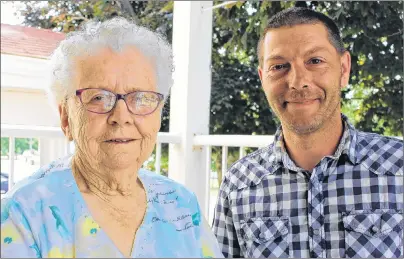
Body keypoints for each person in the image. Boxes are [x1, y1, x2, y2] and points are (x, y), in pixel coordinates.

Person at [1, 17, 223, 258]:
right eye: (98, 97)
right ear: (66, 118)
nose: (121, 116)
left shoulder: (181, 203)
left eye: (140, 98)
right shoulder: (25, 213)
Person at [212, 7, 403, 258]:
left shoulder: (398, 168)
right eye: (279, 66)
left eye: (315, 61)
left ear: (344, 69)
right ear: (262, 78)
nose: (297, 81)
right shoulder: (238, 184)